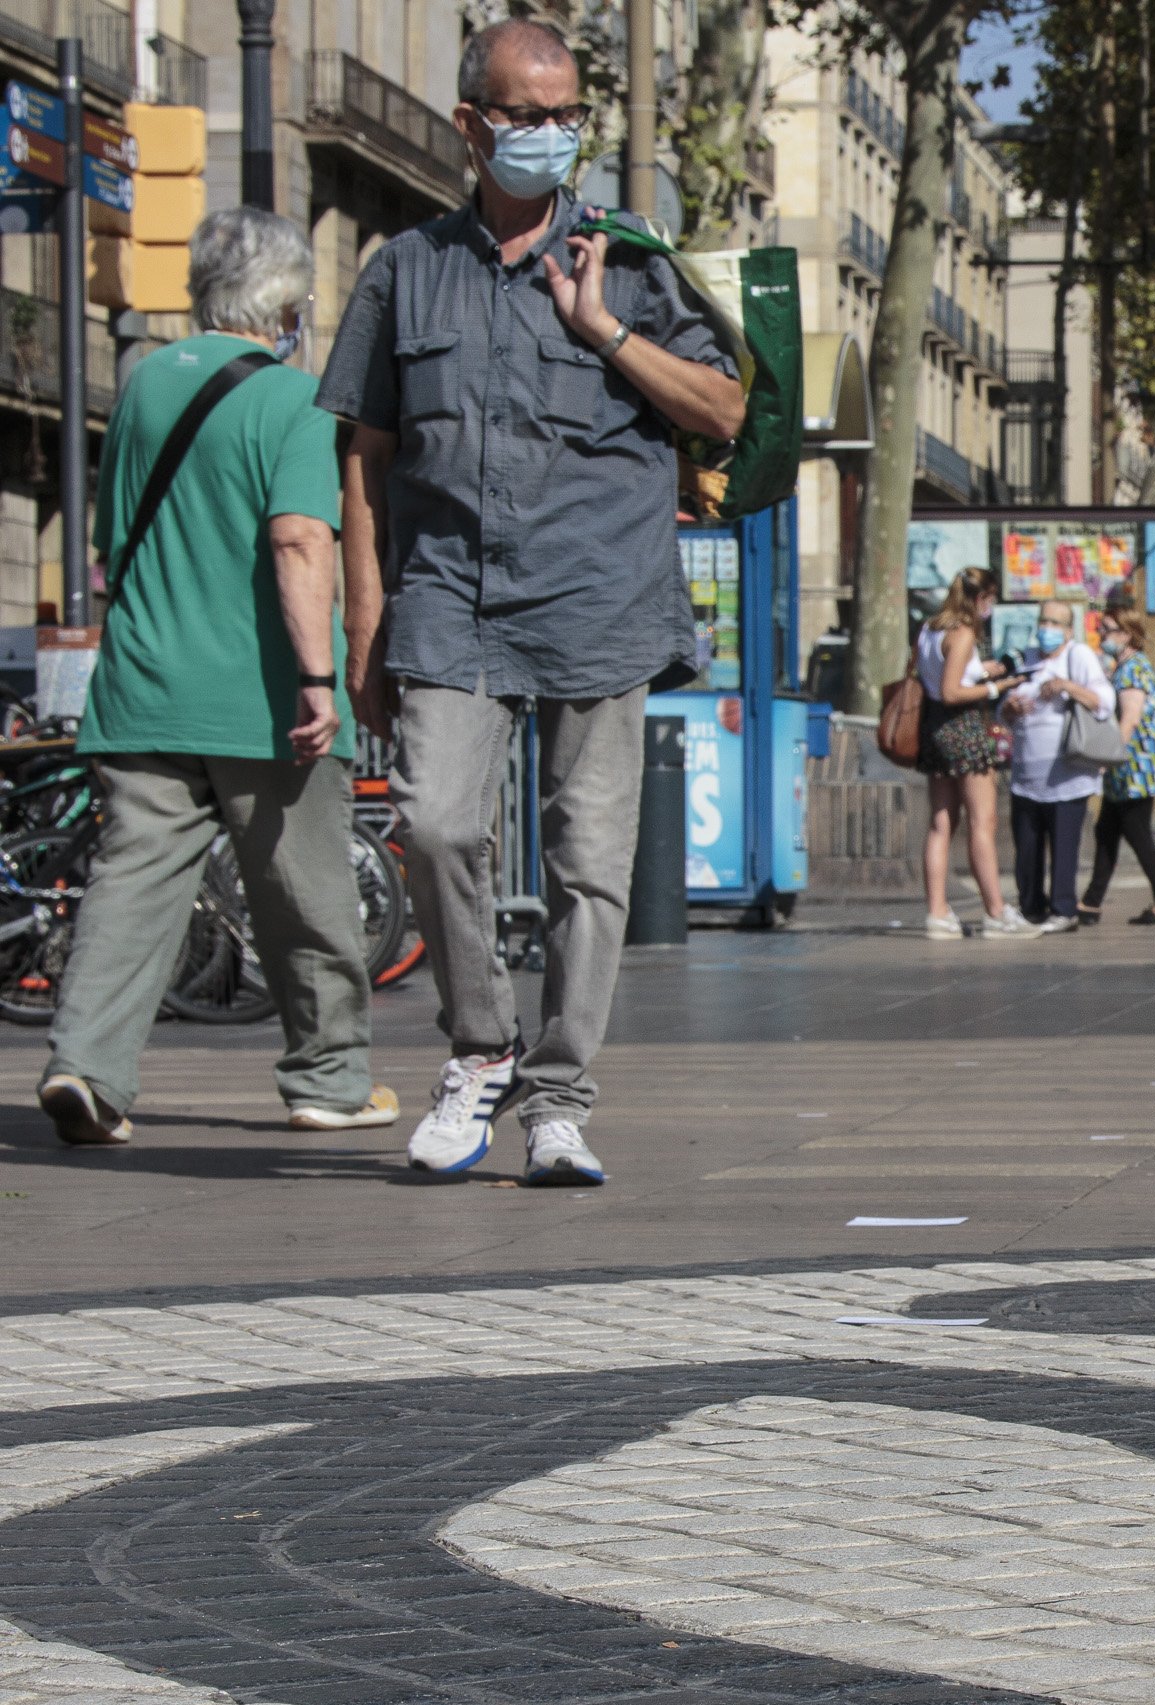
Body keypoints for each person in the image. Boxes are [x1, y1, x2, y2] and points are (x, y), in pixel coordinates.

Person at [321, 16, 744, 1184]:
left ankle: (560, 1094)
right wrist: (366, 624)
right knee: (439, 818)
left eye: (568, 118)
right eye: (526, 115)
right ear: (472, 125)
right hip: (451, 596)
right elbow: (363, 459)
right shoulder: (405, 272)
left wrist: (602, 327)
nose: (550, 137)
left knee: (590, 860)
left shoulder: (635, 264)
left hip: (601, 600)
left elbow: (720, 410)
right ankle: (480, 1048)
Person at [34, 208, 395, 1147]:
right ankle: (329, 1078)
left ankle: (86, 1067)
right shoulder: (292, 399)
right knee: (305, 891)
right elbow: (298, 538)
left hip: (144, 683)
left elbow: (116, 531)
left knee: (133, 882)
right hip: (261, 696)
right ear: (285, 303)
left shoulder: (146, 380)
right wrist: (319, 678)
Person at [912, 566, 1019, 941]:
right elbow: (953, 691)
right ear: (980, 598)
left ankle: (937, 913)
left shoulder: (930, 628)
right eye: (990, 600)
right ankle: (996, 911)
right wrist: (996, 688)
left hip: (934, 728)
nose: (990, 608)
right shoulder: (962, 633)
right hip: (963, 728)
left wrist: (981, 671)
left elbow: (935, 677)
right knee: (982, 822)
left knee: (941, 823)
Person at [1000, 605, 1118, 934]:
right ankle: (1031, 907)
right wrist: (1009, 708)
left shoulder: (1078, 655)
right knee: (1027, 845)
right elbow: (1003, 709)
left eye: (1054, 622)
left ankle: (1064, 908)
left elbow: (1104, 700)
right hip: (1026, 772)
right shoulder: (1028, 658)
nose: (1046, 628)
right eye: (1043, 621)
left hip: (1067, 771)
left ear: (1069, 630)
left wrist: (1067, 685)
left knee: (1064, 843)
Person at [1081, 609, 1155, 926]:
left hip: (1135, 766)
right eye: (1101, 628)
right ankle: (1091, 903)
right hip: (1128, 766)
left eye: (1108, 630)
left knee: (1137, 834)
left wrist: (1108, 757)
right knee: (1107, 830)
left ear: (1127, 634)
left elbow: (1130, 718)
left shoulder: (1133, 669)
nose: (1102, 635)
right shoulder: (1124, 667)